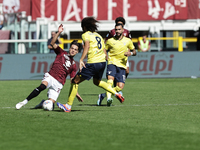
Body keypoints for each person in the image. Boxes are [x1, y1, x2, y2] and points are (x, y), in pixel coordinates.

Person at [56, 17, 124, 112]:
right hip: (102, 62)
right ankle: (116, 94)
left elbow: (87, 46)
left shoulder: (85, 35)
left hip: (93, 63)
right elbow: (104, 49)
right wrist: (105, 56)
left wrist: (81, 59)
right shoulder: (98, 35)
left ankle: (68, 106)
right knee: (97, 82)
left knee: (75, 81)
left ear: (84, 27)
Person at [15, 24, 83, 110]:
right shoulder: (61, 52)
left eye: (75, 49)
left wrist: (75, 92)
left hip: (58, 84)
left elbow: (72, 81)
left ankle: (43, 102)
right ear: (69, 48)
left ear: (77, 52)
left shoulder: (74, 65)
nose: (73, 50)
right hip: (50, 76)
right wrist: (59, 32)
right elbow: (52, 43)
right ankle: (24, 102)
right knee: (42, 86)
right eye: (72, 48)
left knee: (49, 106)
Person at [97, 23, 136, 106]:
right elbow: (104, 48)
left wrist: (131, 53)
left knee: (120, 87)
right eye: (116, 29)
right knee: (110, 81)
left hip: (122, 65)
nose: (117, 31)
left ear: (122, 30)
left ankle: (102, 95)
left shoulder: (128, 41)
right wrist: (106, 55)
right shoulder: (110, 41)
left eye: (119, 29)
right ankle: (108, 99)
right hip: (112, 63)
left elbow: (135, 52)